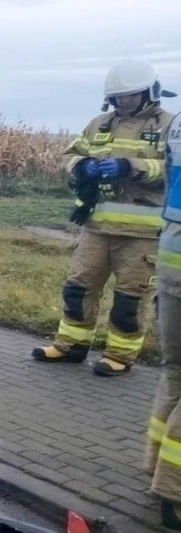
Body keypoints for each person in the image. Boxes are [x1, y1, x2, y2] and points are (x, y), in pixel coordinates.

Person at [32, 59, 174, 376]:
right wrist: (84, 167)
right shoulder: (100, 124)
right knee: (78, 288)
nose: (124, 101)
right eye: (119, 97)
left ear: (149, 92)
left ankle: (119, 357)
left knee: (129, 299)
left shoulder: (170, 125)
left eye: (131, 95)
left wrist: (130, 167)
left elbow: (173, 169)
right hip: (97, 227)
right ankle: (70, 346)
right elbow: (70, 156)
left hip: (142, 235)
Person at [146, 111, 181, 528]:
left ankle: (156, 471)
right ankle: (175, 495)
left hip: (172, 254)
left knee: (175, 373)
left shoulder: (176, 123)